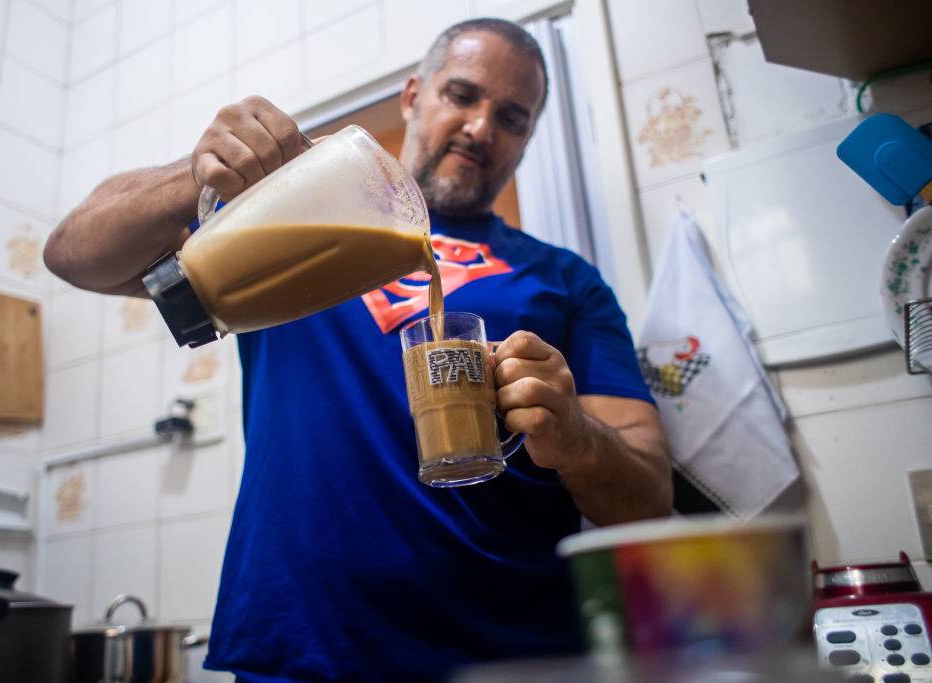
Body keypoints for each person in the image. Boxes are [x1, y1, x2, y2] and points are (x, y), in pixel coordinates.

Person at [45, 17, 672, 683]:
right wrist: (198, 171)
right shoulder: (289, 218)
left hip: (514, 655)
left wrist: (574, 433)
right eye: (461, 95)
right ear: (411, 96)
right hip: (303, 648)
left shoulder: (566, 279)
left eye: (512, 118)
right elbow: (73, 254)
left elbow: (651, 497)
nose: (482, 128)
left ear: (526, 139)